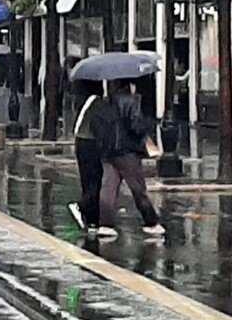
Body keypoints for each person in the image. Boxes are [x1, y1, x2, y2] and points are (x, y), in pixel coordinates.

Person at [98, 80, 164, 237]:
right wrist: (147, 127)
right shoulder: (132, 101)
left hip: (108, 151)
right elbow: (136, 126)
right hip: (127, 151)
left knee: (109, 188)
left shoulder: (106, 102)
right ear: (130, 85)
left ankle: (105, 224)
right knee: (138, 188)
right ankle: (151, 222)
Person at [68, 79, 109, 233]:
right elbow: (99, 128)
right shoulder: (96, 103)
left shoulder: (85, 102)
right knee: (95, 181)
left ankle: (92, 221)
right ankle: (82, 206)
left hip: (82, 142)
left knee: (88, 181)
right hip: (90, 143)